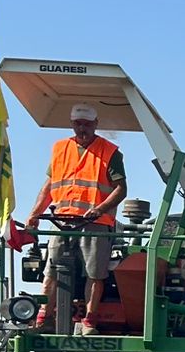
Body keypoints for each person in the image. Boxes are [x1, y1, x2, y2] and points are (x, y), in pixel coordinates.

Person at [26, 103, 128, 332]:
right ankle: (44, 318)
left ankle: (89, 321)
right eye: (78, 124)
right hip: (62, 221)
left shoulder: (110, 152)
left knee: (95, 272)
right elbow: (49, 186)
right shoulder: (60, 148)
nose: (82, 128)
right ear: (72, 124)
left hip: (95, 224)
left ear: (95, 125)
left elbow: (121, 189)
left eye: (87, 124)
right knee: (51, 269)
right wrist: (34, 214)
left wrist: (100, 209)